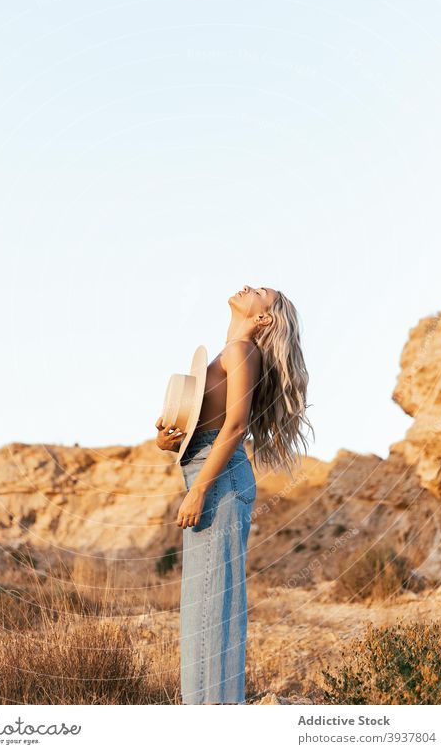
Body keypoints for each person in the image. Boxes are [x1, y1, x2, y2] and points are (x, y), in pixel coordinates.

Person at [155, 285, 314, 705]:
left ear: (264, 318)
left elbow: (236, 426)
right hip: (210, 472)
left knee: (211, 601)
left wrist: (198, 492)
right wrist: (170, 442)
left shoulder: (242, 352)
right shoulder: (230, 353)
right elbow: (208, 427)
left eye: (263, 291)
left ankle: (213, 713)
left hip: (219, 481)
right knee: (204, 601)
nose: (250, 286)